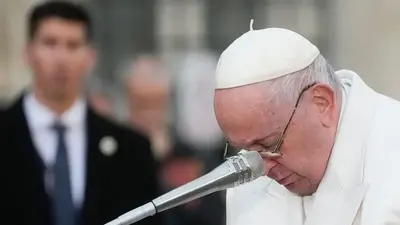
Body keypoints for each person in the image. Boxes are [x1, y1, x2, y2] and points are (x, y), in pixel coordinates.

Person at [213, 25, 400, 224]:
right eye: (244, 150)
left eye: (269, 145)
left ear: (322, 102)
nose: (263, 170)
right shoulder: (247, 182)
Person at [0, 2, 162, 225]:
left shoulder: (131, 151)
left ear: (90, 57)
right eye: (50, 43)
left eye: (73, 45)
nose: (61, 58)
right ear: (28, 53)